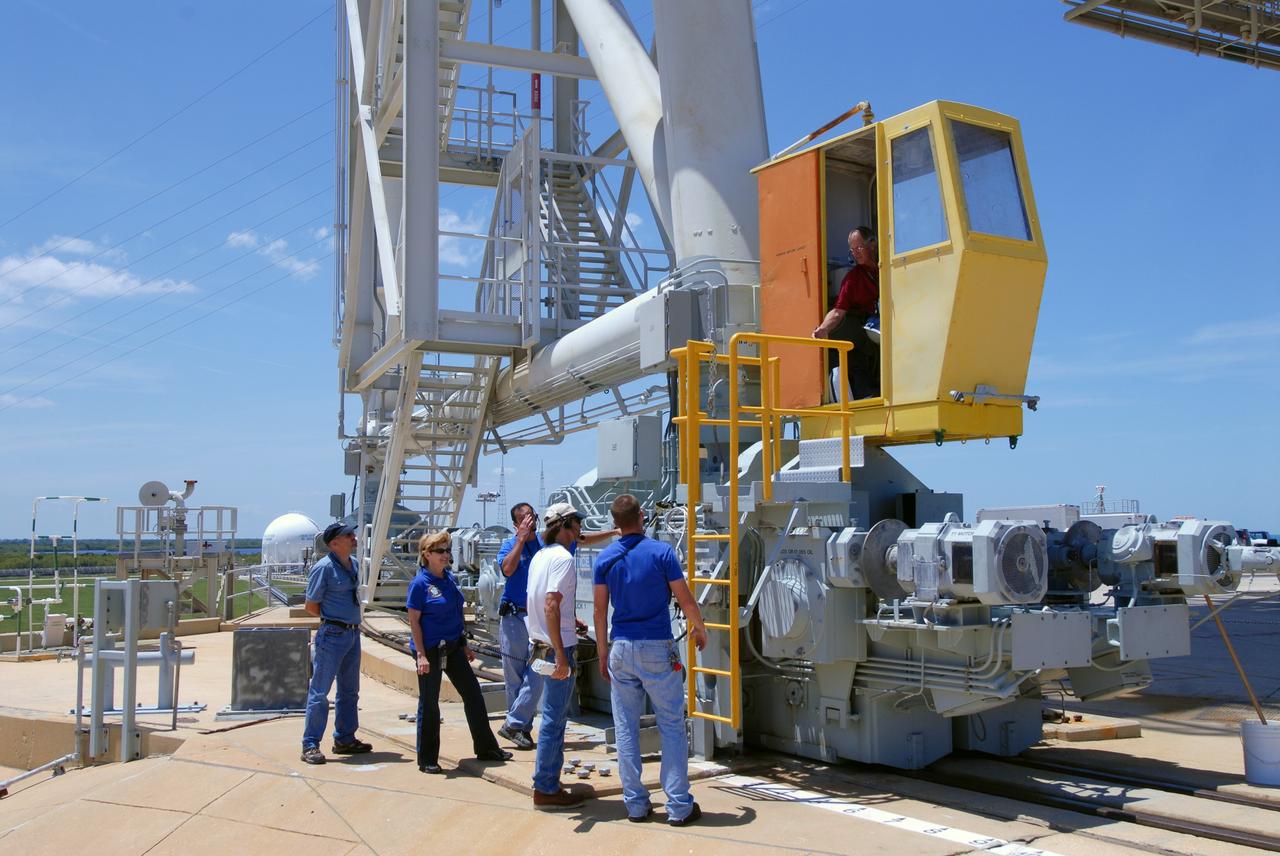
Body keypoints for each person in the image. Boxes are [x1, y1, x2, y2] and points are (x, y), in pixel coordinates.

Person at [592, 494, 708, 826]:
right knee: (671, 725)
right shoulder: (662, 552)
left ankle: (635, 805)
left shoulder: (605, 560)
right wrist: (698, 629)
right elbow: (684, 598)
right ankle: (679, 806)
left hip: (621, 648)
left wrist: (603, 654)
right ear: (642, 516)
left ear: (614, 524)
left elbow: (600, 612)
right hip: (657, 647)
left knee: (625, 728)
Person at [496, 501, 618, 751]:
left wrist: (614, 533)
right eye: (524, 518)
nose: (530, 521)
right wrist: (520, 540)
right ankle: (520, 727)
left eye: (533, 516)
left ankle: (515, 724)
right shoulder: (512, 545)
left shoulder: (547, 546)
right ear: (516, 523)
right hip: (515, 617)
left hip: (539, 619)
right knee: (516, 676)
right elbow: (507, 570)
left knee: (537, 675)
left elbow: (580, 538)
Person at [406, 530, 512, 774]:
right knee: (430, 702)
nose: (446, 555)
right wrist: (421, 655)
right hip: (430, 649)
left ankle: (486, 748)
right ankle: (428, 758)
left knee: (473, 695)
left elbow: (457, 614)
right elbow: (414, 622)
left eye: (447, 550)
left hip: (453, 647)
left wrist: (464, 644)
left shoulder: (450, 579)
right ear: (427, 554)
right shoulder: (420, 584)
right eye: (440, 551)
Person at [526, 502, 591, 810]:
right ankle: (547, 788)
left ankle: (546, 777)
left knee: (548, 716)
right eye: (576, 523)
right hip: (557, 647)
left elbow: (541, 602)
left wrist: (569, 619)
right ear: (565, 526)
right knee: (554, 719)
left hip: (539, 642)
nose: (580, 529)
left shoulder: (540, 556)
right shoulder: (564, 558)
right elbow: (551, 604)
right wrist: (562, 657)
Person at [300, 522, 372, 765]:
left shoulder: (352, 565)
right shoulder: (324, 568)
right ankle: (310, 744)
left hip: (352, 634)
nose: (354, 538)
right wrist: (333, 619)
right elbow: (311, 605)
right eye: (348, 535)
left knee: (349, 691)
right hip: (332, 634)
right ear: (334, 543)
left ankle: (345, 738)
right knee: (320, 692)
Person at [813, 225, 881, 400]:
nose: (856, 253)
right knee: (844, 342)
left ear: (872, 244)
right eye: (852, 250)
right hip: (869, 327)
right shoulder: (853, 279)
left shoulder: (889, 266)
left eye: (859, 248)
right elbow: (837, 311)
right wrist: (823, 329)